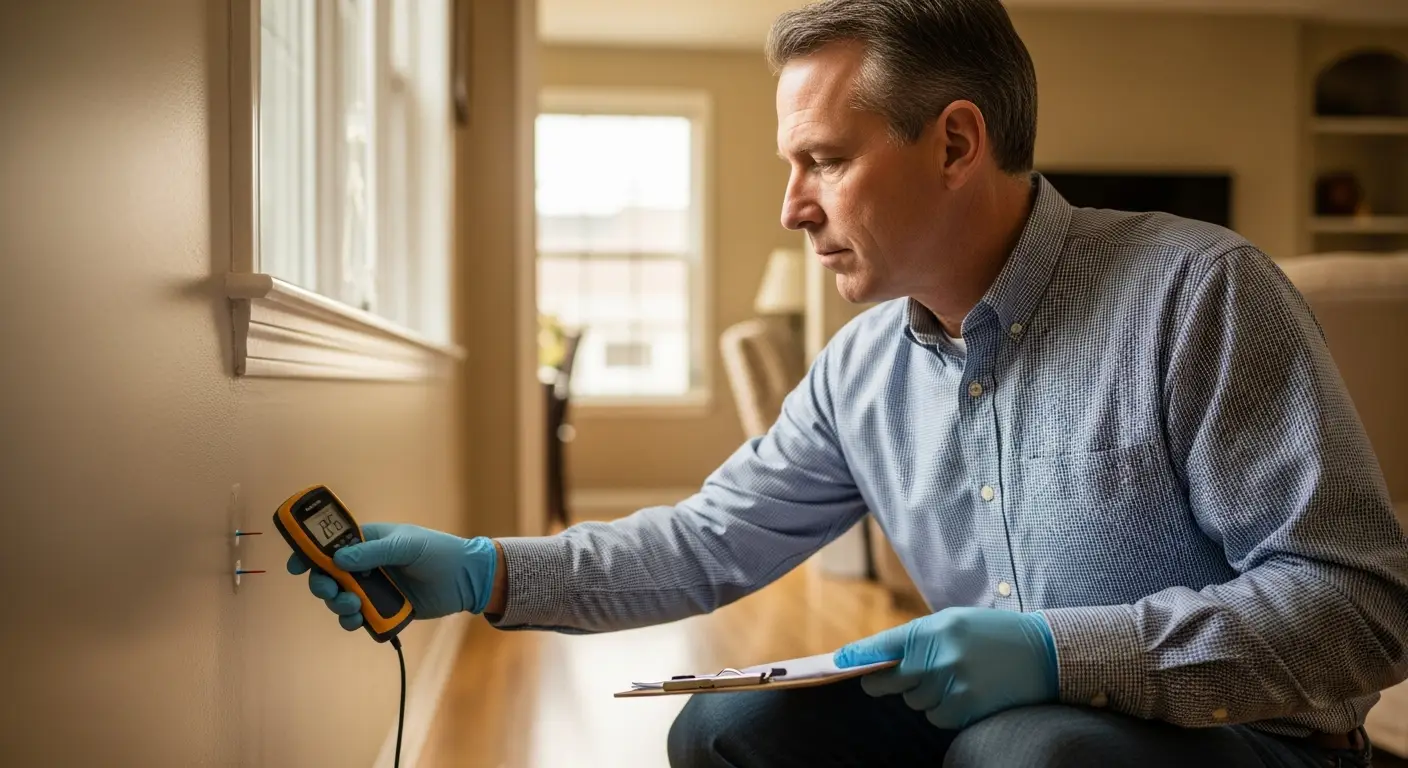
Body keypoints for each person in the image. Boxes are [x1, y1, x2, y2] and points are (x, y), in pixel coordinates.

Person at [288, 0, 1408, 765]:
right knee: (722, 733)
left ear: (955, 144)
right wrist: (482, 572)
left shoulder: (1197, 293)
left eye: (822, 159)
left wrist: (1059, 651)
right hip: (1011, 730)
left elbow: (1360, 609)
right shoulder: (863, 369)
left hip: (1247, 735)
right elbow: (702, 544)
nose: (792, 206)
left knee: (1025, 750)